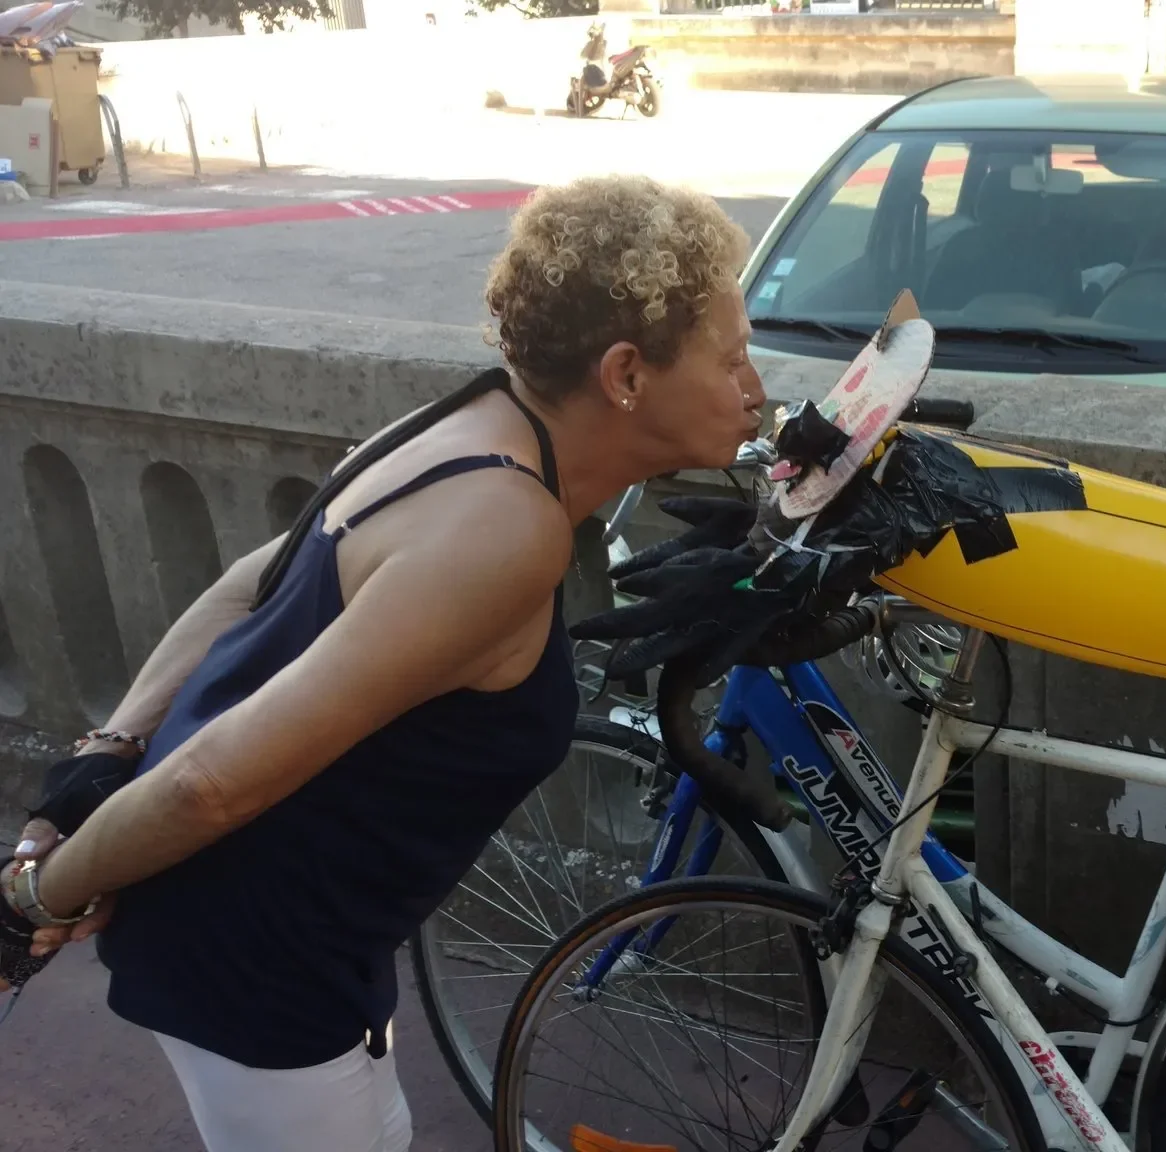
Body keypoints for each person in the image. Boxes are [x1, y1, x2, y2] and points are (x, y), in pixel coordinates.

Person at [0, 172, 764, 1151]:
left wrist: (105, 751)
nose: (755, 388)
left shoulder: (460, 421)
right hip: (254, 966)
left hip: (277, 938)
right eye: (733, 358)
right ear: (624, 375)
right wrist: (31, 901)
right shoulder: (506, 532)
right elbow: (208, 787)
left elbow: (247, 585)